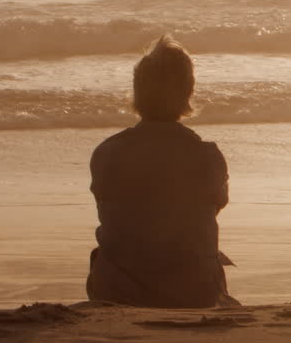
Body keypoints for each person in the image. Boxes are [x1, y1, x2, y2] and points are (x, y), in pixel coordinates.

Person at [85, 35, 238, 307]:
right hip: (194, 293)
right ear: (188, 92)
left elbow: (112, 210)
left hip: (120, 292)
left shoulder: (107, 152)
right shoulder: (207, 156)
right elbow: (212, 206)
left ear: (137, 92)